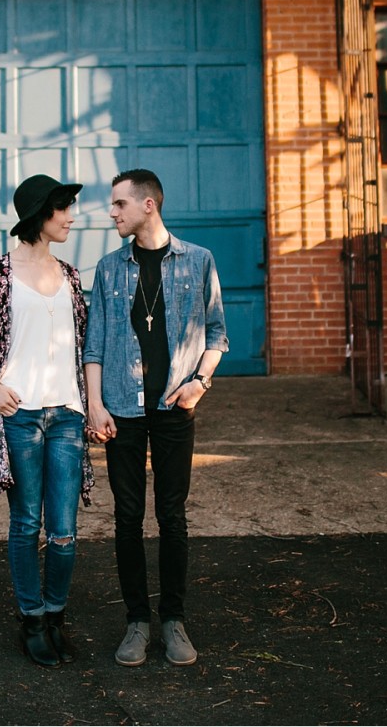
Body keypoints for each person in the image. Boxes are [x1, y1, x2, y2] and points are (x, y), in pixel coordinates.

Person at [82, 168, 227, 667]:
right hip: (122, 408)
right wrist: (95, 404)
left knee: (172, 516)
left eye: (119, 204)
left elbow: (217, 334)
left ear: (148, 205)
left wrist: (200, 383)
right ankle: (137, 622)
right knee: (126, 518)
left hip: (173, 407)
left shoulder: (198, 261)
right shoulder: (107, 268)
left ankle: (174, 620)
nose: (112, 212)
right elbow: (94, 344)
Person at [0, 173, 95, 668]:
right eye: (64, 209)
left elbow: (87, 349)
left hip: (66, 416)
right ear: (42, 215)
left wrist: (91, 404)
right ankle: (32, 618)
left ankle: (56, 614)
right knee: (26, 522)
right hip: (18, 414)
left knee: (64, 530)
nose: (72, 217)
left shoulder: (72, 276)